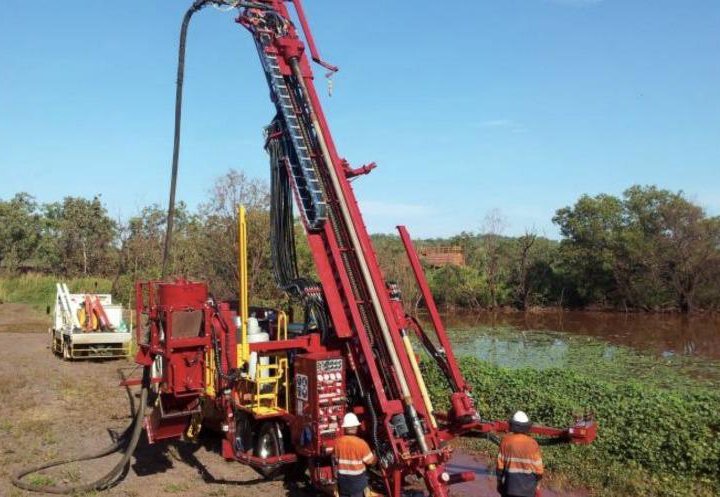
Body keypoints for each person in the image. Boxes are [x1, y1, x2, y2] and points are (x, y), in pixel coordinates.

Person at [496, 411, 544, 497]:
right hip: (528, 490)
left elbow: (500, 467)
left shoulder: (505, 441)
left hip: (509, 487)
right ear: (527, 427)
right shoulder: (533, 443)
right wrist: (537, 485)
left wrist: (499, 483)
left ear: (512, 425)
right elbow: (539, 470)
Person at [335, 412, 376, 497]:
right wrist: (376, 457)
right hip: (357, 482)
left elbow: (335, 459)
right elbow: (371, 462)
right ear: (355, 428)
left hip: (343, 482)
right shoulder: (361, 444)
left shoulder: (338, 442)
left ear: (345, 428)